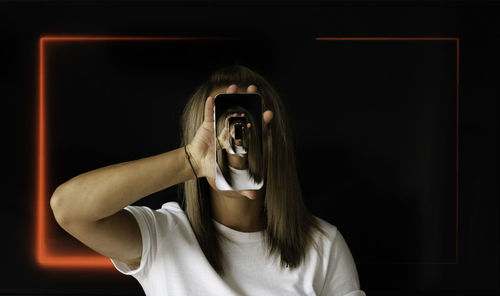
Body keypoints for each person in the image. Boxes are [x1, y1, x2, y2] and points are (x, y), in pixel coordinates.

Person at [50, 65, 366, 296]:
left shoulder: (323, 246)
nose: (236, 142)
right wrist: (191, 159)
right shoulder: (164, 236)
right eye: (224, 128)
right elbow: (68, 208)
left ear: (275, 144)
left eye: (249, 127)